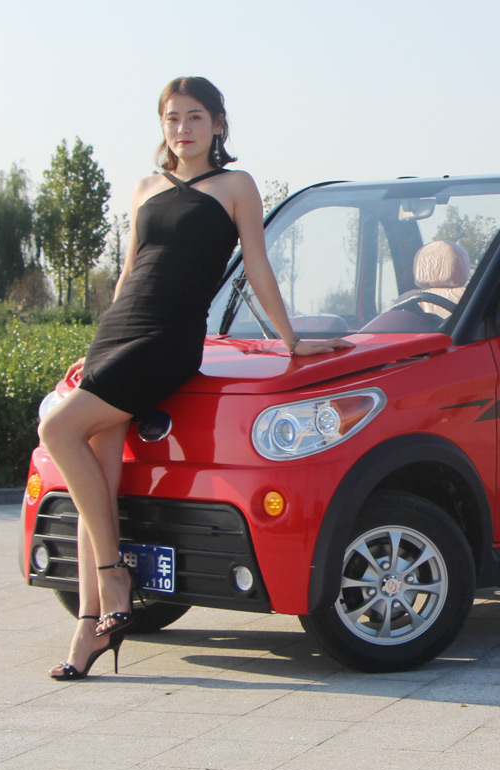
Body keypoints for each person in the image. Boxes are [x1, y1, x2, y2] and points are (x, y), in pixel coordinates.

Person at [41, 77, 353, 680]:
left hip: (167, 339)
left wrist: (289, 340)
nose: (181, 128)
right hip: (118, 333)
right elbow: (129, 275)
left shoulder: (236, 186)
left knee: (57, 430)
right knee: (95, 481)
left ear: (216, 124)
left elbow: (256, 265)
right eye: (171, 118)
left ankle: (114, 578)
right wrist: (93, 353)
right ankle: (91, 627)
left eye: (193, 117)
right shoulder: (145, 187)